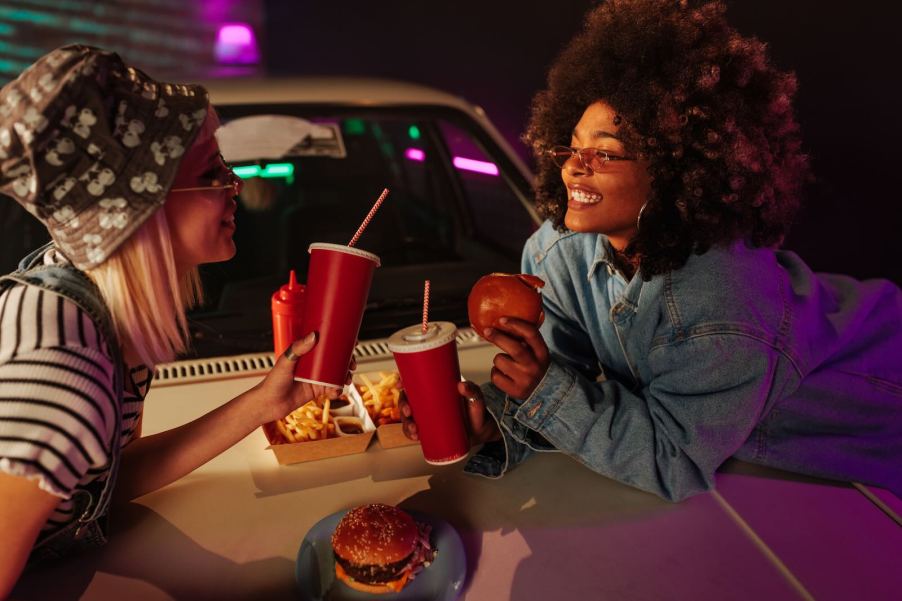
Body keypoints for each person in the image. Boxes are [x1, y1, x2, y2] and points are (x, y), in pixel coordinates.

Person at [402, 0, 901, 502]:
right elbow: (562, 381)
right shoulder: (557, 255)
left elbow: (672, 458)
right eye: (572, 147)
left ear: (673, 174)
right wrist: (491, 418)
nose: (573, 168)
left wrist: (545, 392)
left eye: (605, 153)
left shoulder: (721, 298)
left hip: (879, 410)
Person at [0, 46, 344, 595]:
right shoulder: (65, 376)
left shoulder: (100, 305)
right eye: (211, 171)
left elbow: (107, 478)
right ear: (138, 213)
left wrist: (266, 402)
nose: (236, 183)